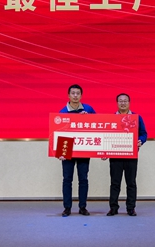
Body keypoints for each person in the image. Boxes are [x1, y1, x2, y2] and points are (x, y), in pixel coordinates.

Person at [106, 93, 147, 217]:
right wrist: (104, 151)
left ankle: (131, 208)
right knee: (115, 183)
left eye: (125, 101)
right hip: (115, 156)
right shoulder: (111, 119)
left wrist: (141, 140)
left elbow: (144, 134)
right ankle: (113, 208)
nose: (123, 103)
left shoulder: (136, 118)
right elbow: (105, 135)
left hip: (131, 155)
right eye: (120, 101)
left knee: (131, 183)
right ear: (117, 103)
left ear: (129, 103)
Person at [58, 84, 96, 217]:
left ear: (81, 95)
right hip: (67, 148)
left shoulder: (88, 109)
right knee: (67, 179)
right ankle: (67, 208)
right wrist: (60, 152)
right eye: (73, 93)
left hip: (84, 148)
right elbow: (58, 133)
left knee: (83, 179)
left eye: (78, 93)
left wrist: (88, 118)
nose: (75, 95)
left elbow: (98, 126)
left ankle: (82, 207)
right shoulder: (62, 112)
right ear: (68, 95)